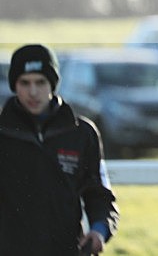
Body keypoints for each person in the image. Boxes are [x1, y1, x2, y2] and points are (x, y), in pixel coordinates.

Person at [0, 44, 119, 255]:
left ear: (53, 83)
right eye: (25, 83)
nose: (33, 92)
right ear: (14, 85)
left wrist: (99, 230)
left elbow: (100, 194)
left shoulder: (81, 133)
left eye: (40, 82)